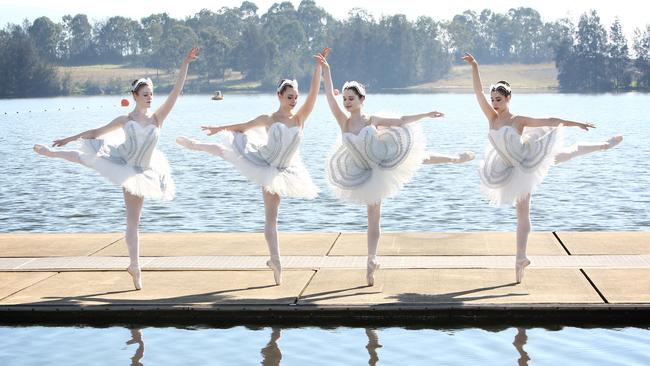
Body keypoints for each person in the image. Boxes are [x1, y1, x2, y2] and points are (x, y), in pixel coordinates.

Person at [33, 47, 200, 290]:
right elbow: (95, 133)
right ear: (135, 96)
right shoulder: (126, 120)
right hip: (124, 164)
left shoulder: (158, 118)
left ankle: (133, 266)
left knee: (134, 222)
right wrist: (68, 138)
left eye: (151, 94)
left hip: (144, 171)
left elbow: (176, 90)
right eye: (145, 94)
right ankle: (52, 153)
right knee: (87, 157)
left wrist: (185, 62)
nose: (150, 97)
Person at [315, 52, 473, 286]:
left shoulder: (371, 120)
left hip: (381, 160)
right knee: (372, 218)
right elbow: (329, 95)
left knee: (419, 157)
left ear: (361, 100)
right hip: (362, 170)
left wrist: (426, 114)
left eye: (351, 98)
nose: (347, 102)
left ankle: (454, 158)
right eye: (346, 99)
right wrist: (325, 69)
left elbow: (400, 120)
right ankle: (372, 261)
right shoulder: (344, 121)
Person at [462, 52, 623, 283]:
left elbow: (549, 120)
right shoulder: (491, 117)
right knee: (522, 214)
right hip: (508, 168)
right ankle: (520, 260)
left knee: (569, 153)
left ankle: (604, 145)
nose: (495, 103)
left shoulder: (518, 120)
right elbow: (477, 92)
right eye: (493, 99)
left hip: (529, 160)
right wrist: (474, 65)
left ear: (508, 99)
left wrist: (576, 123)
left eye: (499, 99)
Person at [176, 49, 327, 285]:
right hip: (265, 163)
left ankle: (274, 261)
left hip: (286, 170)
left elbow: (314, 96)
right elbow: (243, 127)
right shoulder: (269, 118)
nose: (294, 100)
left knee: (273, 218)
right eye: (290, 96)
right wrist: (219, 128)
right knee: (228, 152)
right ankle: (196, 145)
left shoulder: (300, 119)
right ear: (279, 96)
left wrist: (319, 69)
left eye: (296, 96)